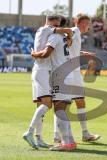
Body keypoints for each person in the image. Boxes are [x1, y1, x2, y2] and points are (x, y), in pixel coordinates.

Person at [22, 15, 73, 149]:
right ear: (47, 22)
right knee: (48, 104)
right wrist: (69, 35)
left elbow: (67, 31)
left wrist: (69, 35)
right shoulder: (45, 30)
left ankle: (39, 138)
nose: (55, 27)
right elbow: (46, 53)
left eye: (57, 25)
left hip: (44, 70)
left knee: (41, 105)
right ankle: (30, 132)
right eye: (53, 25)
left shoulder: (53, 34)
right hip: (43, 70)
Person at [53, 13, 100, 143]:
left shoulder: (76, 33)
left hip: (74, 72)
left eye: (87, 24)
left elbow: (68, 48)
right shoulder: (74, 31)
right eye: (86, 23)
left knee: (78, 102)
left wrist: (80, 53)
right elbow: (64, 44)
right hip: (70, 73)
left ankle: (84, 133)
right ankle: (58, 135)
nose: (87, 26)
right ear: (80, 23)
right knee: (63, 104)